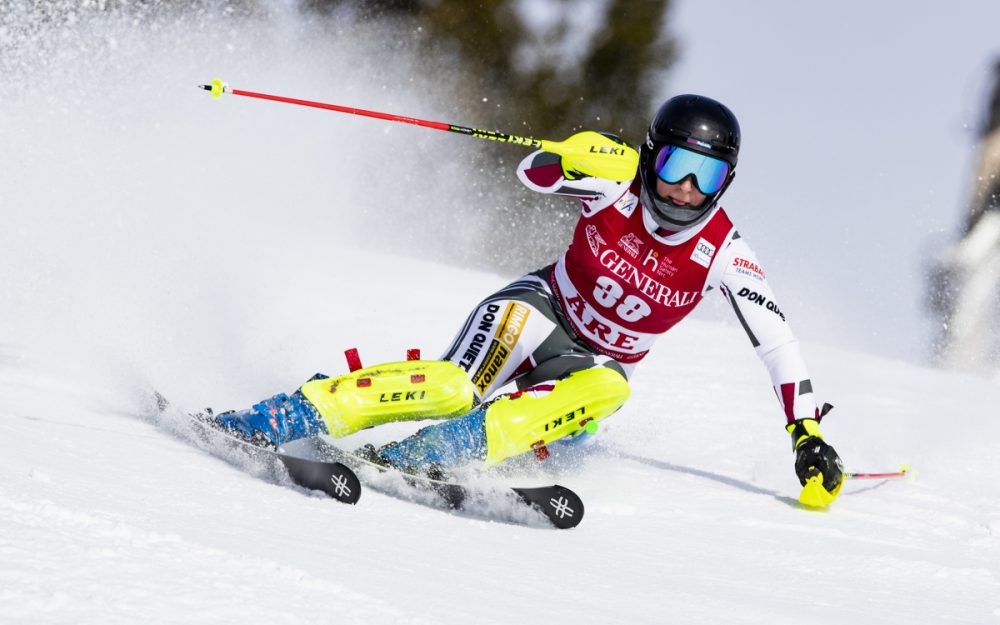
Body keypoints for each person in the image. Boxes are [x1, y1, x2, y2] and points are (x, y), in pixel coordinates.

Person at [213, 94, 845, 507]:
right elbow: (532, 173)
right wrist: (575, 155)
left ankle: (426, 456)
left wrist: (806, 434)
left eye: (704, 176)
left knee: (611, 389)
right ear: (652, 155)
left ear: (724, 183)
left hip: (590, 363)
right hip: (539, 311)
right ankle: (286, 416)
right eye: (676, 166)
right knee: (454, 387)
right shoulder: (617, 183)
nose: (683, 190)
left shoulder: (725, 254)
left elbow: (777, 343)